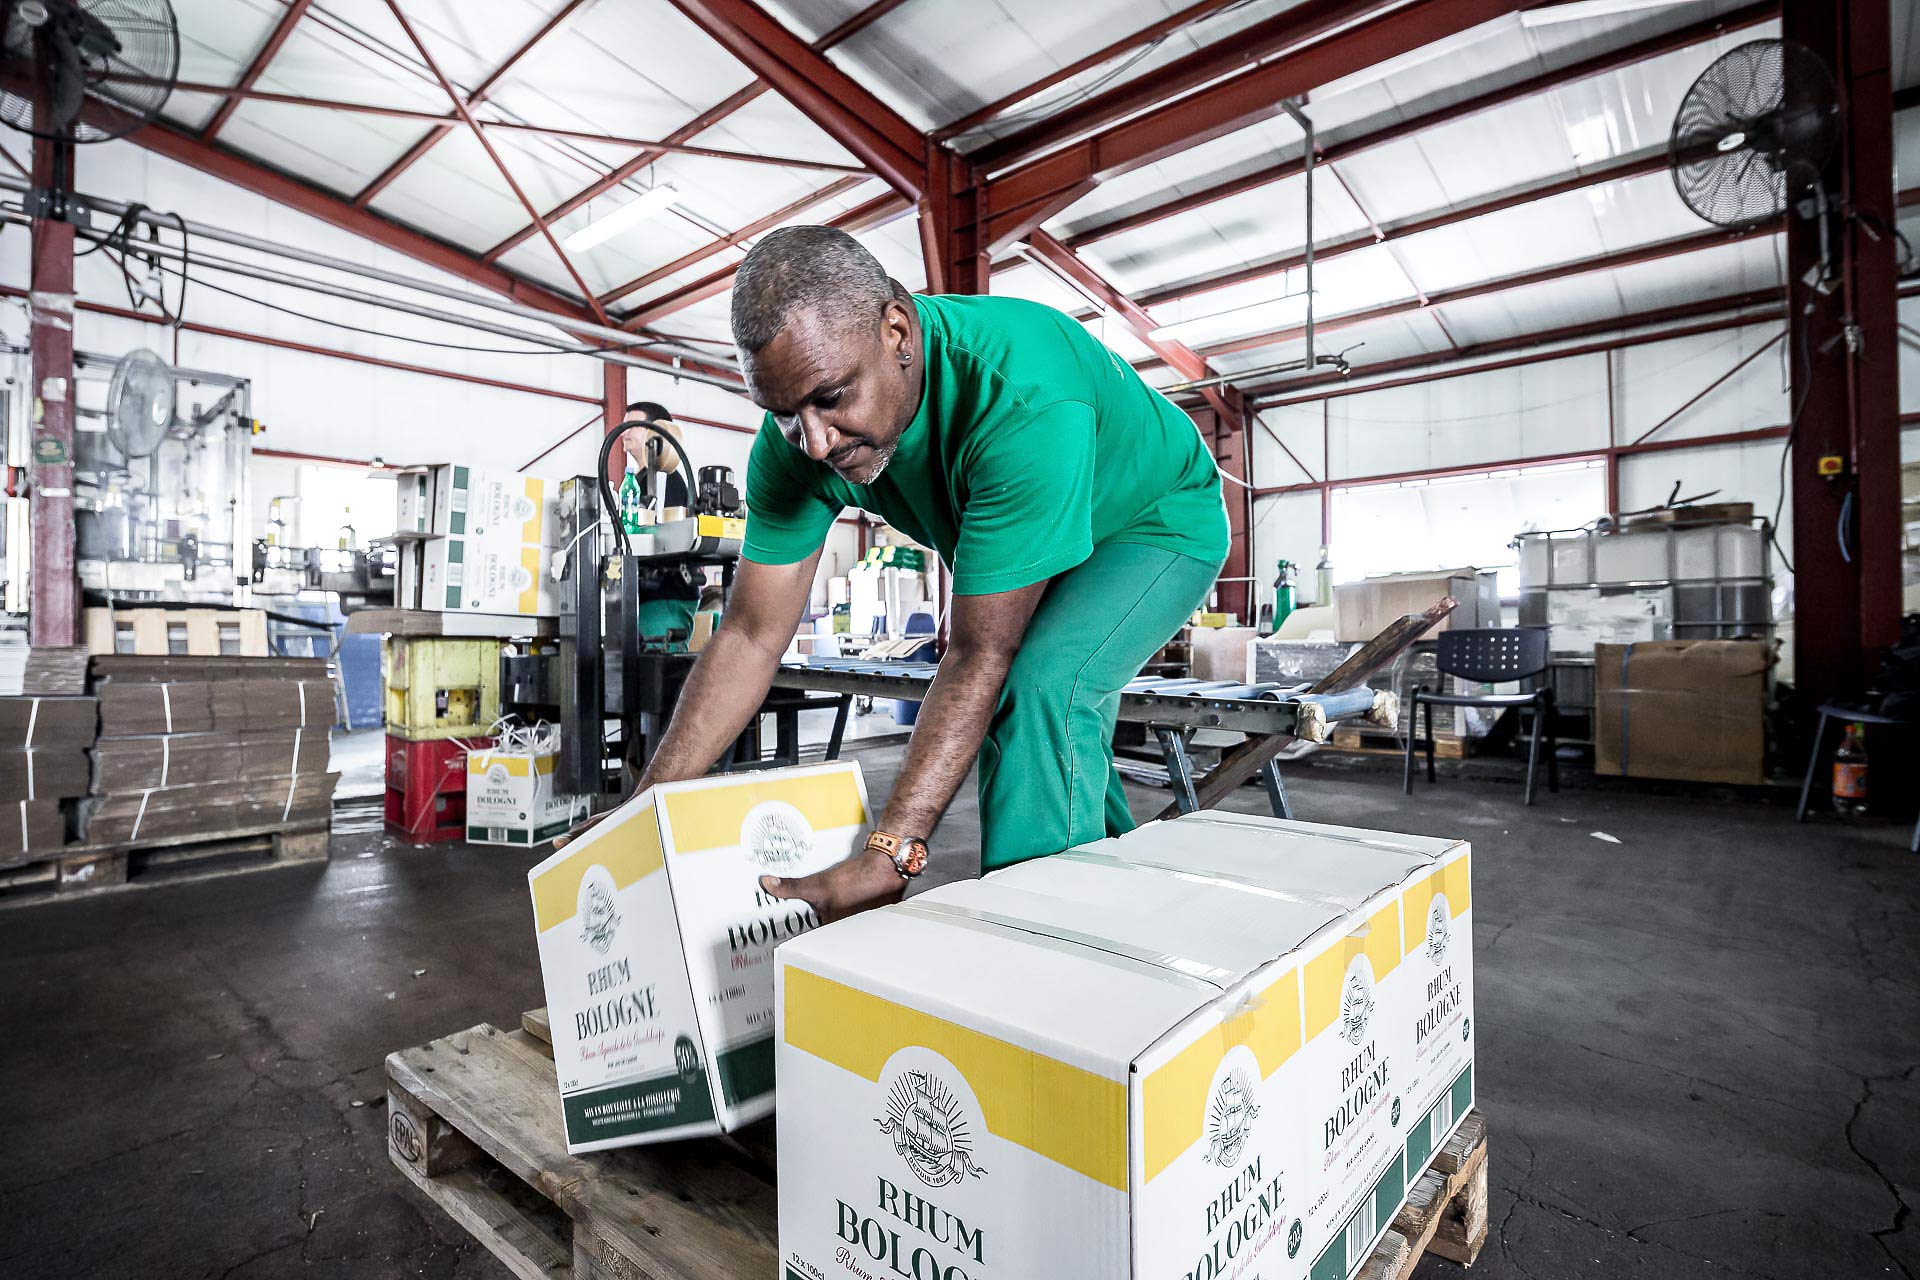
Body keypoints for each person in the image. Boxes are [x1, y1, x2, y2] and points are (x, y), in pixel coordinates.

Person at [614, 225, 1227, 921]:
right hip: (1050, 511)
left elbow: (979, 653)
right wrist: (639, 815)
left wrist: (891, 852)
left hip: (1153, 518)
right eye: (784, 414)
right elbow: (751, 634)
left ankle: (1044, 943)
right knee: (1050, 746)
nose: (813, 442)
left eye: (831, 397)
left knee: (1045, 686)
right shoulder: (799, 441)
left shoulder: (1021, 396)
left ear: (898, 333)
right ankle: (1116, 908)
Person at [603, 400, 689, 509]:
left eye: (632, 425)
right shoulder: (635, 481)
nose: (624, 433)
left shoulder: (665, 479)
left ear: (655, 432)